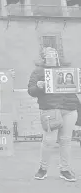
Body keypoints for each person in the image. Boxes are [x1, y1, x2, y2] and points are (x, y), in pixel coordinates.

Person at [27, 47, 78, 182]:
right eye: (48, 55)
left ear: (57, 56)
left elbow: (74, 88)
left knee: (66, 140)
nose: (51, 57)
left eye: (53, 54)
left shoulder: (67, 70)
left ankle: (65, 169)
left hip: (69, 108)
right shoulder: (38, 72)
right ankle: (43, 169)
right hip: (50, 110)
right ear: (43, 58)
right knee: (49, 141)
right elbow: (31, 91)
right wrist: (39, 86)